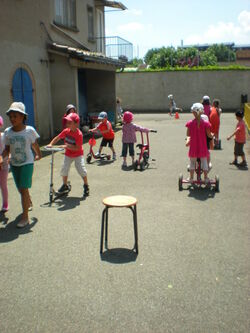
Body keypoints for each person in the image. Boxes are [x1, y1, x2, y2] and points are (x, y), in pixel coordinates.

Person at [0, 102, 41, 227]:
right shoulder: (8, 132)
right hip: (14, 164)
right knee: (21, 189)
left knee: (23, 189)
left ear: (23, 116)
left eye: (15, 116)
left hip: (27, 163)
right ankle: (28, 201)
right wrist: (1, 158)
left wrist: (38, 154)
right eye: (10, 116)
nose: (12, 119)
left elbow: (35, 144)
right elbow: (7, 149)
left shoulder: (29, 131)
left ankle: (25, 217)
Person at [47, 113, 89, 197]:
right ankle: (65, 185)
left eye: (70, 122)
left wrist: (67, 146)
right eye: (67, 122)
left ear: (76, 124)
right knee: (64, 169)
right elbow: (57, 138)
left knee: (81, 169)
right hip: (68, 154)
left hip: (78, 154)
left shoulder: (79, 134)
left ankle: (86, 185)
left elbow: (77, 148)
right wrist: (50, 144)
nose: (67, 124)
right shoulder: (66, 131)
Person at [185, 103, 212, 184]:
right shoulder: (206, 123)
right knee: (204, 162)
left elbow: (188, 134)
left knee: (192, 162)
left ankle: (191, 178)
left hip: (193, 146)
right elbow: (209, 135)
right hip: (202, 146)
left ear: (193, 112)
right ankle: (206, 178)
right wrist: (212, 136)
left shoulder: (190, 123)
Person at [0, 116, 9, 213]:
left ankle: (5, 203)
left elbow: (8, 149)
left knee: (3, 185)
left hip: (4, 164)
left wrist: (7, 157)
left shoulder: (3, 136)